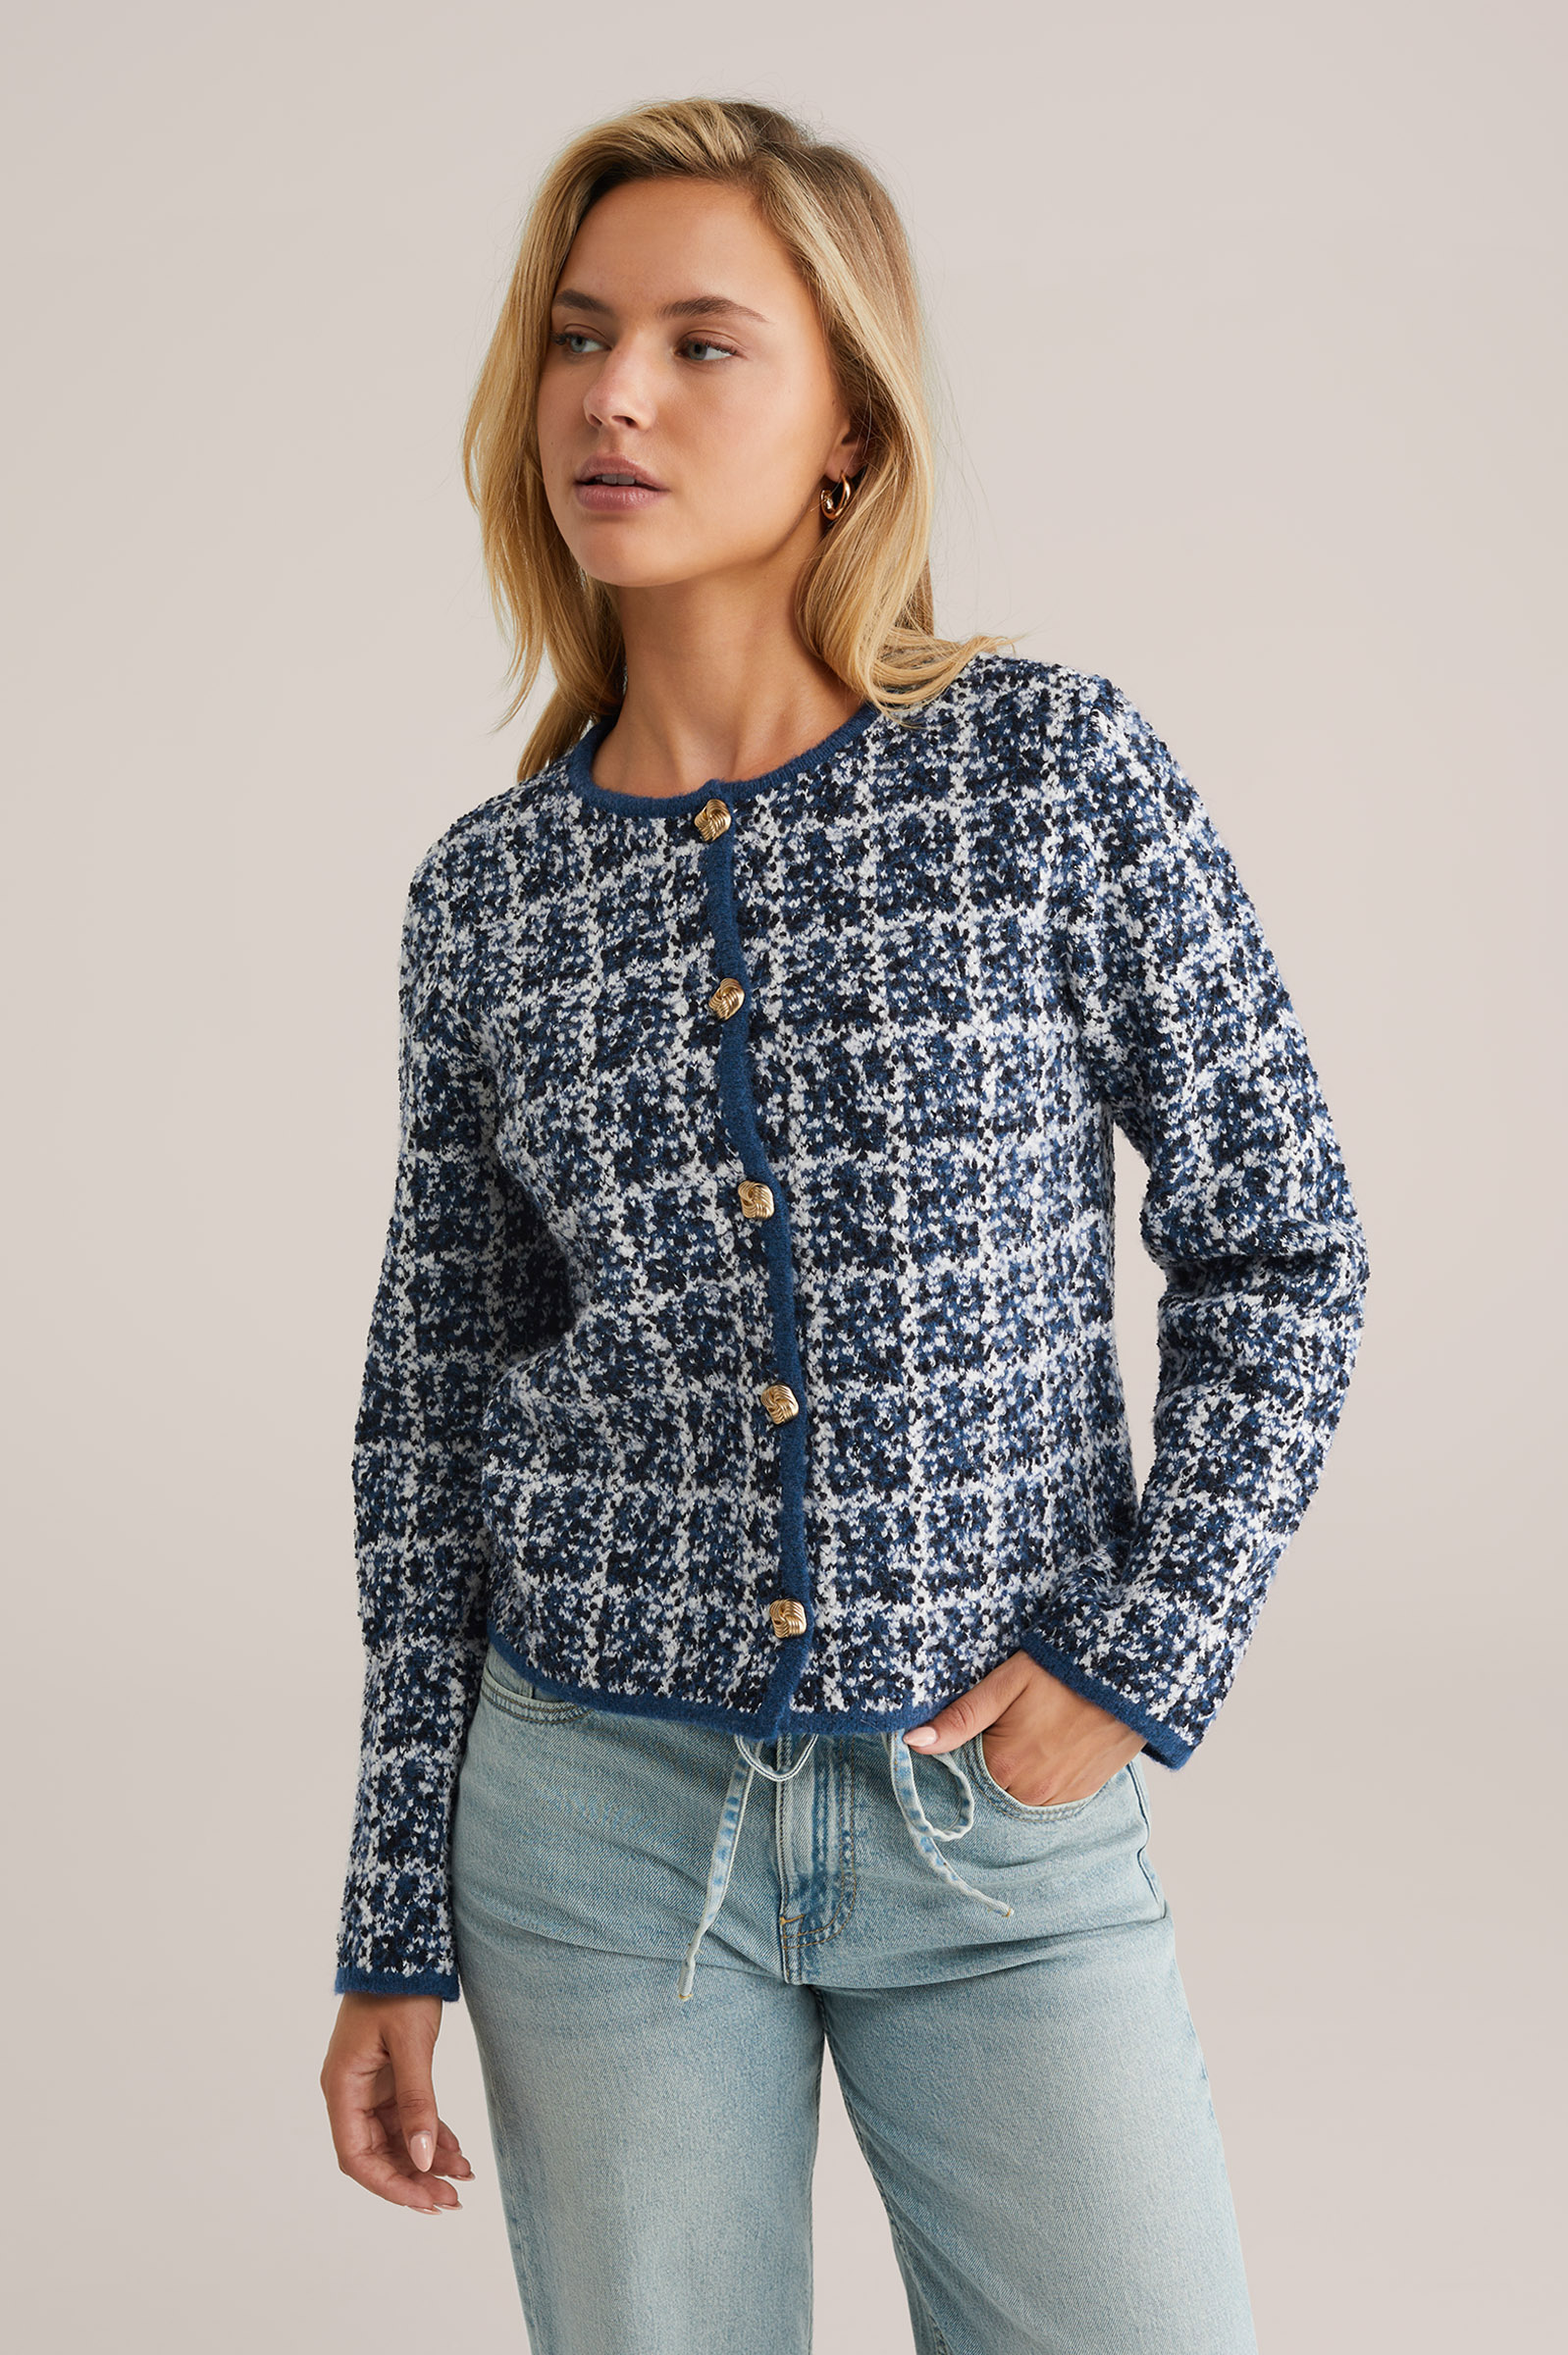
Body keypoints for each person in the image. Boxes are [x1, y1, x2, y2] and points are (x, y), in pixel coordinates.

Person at [319, 95, 1370, 2355]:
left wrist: (1143, 1649)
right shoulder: (489, 898)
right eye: (578, 338)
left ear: (846, 431)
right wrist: (390, 1913)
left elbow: (1279, 1240)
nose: (612, 396)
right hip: (590, 1836)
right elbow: (428, 1422)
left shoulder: (1046, 777)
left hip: (989, 1814)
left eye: (701, 344)